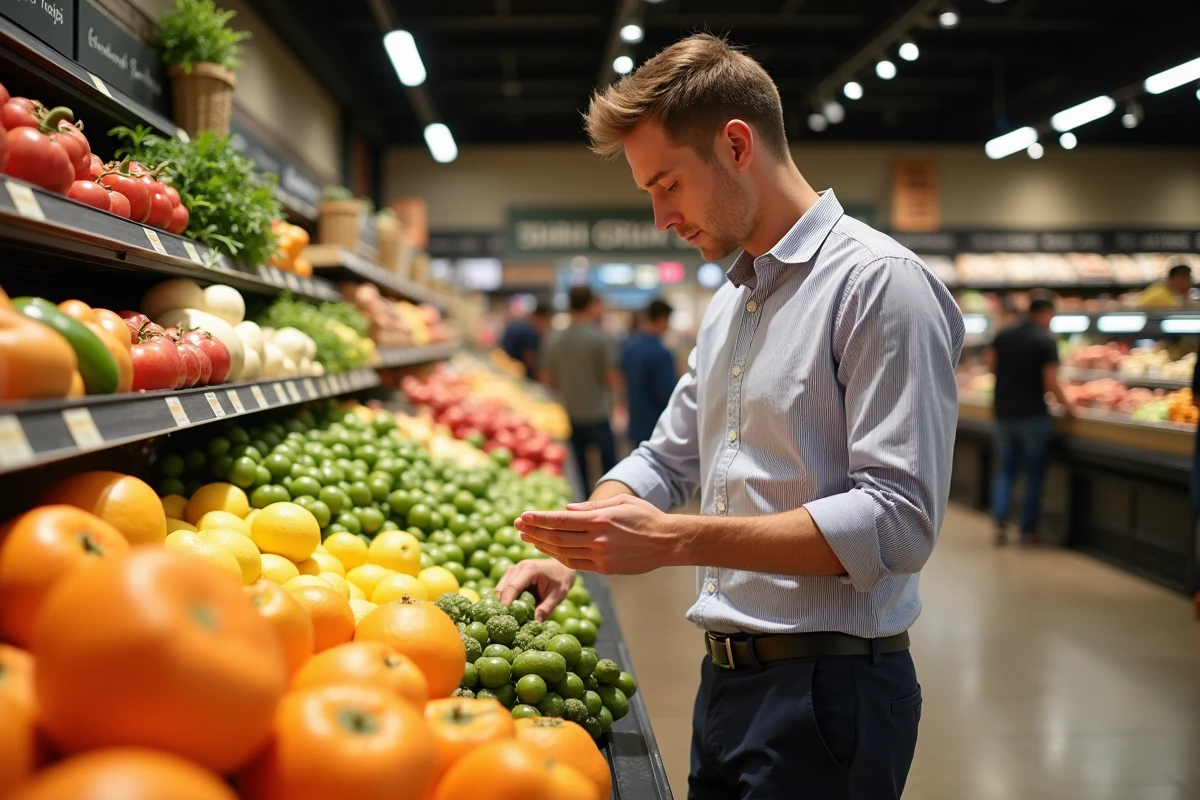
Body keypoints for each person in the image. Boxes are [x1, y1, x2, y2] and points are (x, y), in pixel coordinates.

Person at [498, 34, 963, 800]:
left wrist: (676, 540)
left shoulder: (879, 286)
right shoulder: (731, 303)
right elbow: (668, 458)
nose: (659, 217)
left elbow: (899, 522)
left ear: (737, 145)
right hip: (724, 685)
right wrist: (578, 540)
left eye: (668, 184)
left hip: (831, 694)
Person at [985, 297, 1076, 546]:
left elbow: (991, 365)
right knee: (1033, 474)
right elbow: (1050, 382)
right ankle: (1028, 531)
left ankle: (1000, 522)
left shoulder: (1004, 335)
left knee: (1005, 470)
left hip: (1003, 412)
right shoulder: (1045, 341)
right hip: (1033, 415)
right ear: (1046, 313)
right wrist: (1070, 408)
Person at [542, 286, 619, 493]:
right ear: (591, 305)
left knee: (579, 472)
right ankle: (610, 505)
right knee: (609, 469)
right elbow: (609, 378)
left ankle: (584, 510)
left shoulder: (554, 339)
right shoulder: (599, 339)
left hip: (569, 414)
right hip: (598, 413)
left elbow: (548, 379)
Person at [620, 298, 677, 447]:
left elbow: (622, 382)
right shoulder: (661, 353)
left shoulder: (630, 348)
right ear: (662, 320)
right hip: (656, 426)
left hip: (635, 422)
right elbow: (666, 393)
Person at [499, 301, 551, 379]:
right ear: (541, 317)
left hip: (504, 368)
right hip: (519, 375)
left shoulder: (516, 324)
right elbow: (530, 358)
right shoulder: (531, 332)